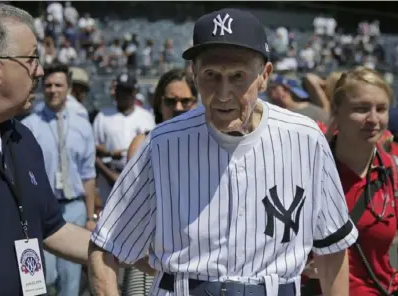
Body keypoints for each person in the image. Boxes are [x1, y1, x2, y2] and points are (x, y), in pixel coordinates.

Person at [88, 8, 358, 296]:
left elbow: (332, 250)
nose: (224, 92)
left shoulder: (306, 139)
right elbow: (106, 246)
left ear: (264, 76)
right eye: (211, 75)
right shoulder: (161, 143)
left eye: (238, 76)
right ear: (194, 74)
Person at [0, 3, 91, 296]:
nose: (41, 70)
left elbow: (53, 229)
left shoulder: (22, 137)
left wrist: (132, 253)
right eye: (32, 58)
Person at [302, 67, 398, 295]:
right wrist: (300, 266)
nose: (373, 119)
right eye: (361, 109)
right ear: (336, 112)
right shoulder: (305, 169)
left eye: (381, 109)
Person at [120, 68, 199, 296]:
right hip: (148, 256)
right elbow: (131, 205)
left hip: (194, 259)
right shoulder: (143, 143)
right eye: (170, 101)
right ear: (158, 104)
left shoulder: (208, 147)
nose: (178, 108)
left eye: (186, 101)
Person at [21, 63, 97, 296]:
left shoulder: (83, 126)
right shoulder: (29, 126)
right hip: (43, 208)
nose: (53, 90)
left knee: (70, 280)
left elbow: (88, 175)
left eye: (59, 85)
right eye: (49, 85)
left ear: (69, 88)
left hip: (74, 207)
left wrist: (91, 216)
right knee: (42, 277)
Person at [93, 73, 155, 203]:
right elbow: (94, 153)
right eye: (120, 90)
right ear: (115, 91)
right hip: (109, 177)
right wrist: (111, 175)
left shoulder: (146, 116)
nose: (123, 95)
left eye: (127, 91)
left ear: (135, 92)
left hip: (139, 178)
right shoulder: (103, 116)